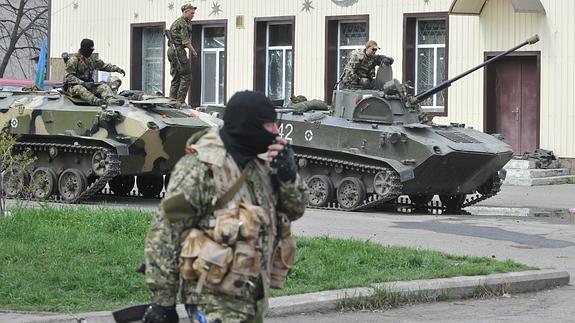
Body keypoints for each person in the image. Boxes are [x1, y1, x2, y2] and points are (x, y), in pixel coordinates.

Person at [143, 90, 308, 323]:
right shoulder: (200, 168)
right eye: (269, 125)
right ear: (246, 126)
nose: (276, 131)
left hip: (253, 298)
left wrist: (289, 176)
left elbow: (294, 211)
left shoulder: (262, 164)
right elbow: (165, 233)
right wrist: (162, 302)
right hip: (211, 299)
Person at [64, 38, 126, 105]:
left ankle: (111, 100)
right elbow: (69, 77)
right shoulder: (73, 60)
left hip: (89, 85)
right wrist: (83, 83)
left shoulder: (91, 59)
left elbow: (103, 66)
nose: (91, 51)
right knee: (80, 89)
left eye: (92, 50)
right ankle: (98, 102)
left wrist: (117, 69)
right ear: (85, 49)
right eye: (90, 49)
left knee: (104, 86)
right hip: (73, 87)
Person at [167, 2, 198, 105]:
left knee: (176, 76)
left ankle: (172, 100)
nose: (193, 15)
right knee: (186, 76)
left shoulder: (178, 22)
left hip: (172, 50)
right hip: (178, 51)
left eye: (193, 13)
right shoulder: (183, 23)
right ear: (185, 12)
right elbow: (185, 42)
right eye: (191, 13)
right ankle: (180, 101)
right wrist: (193, 51)